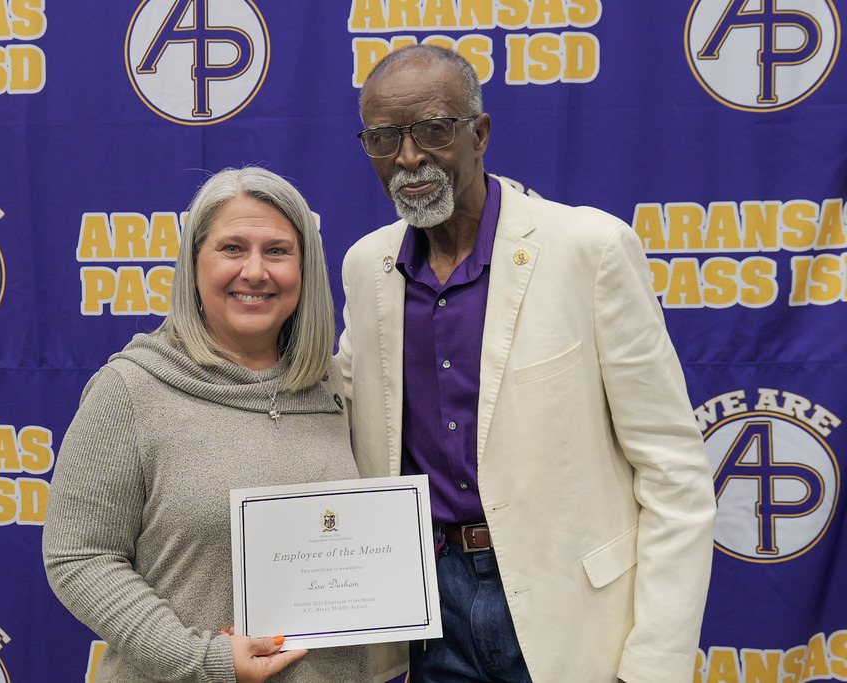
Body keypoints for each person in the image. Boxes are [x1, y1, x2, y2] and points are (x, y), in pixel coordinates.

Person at [336, 44, 717, 683]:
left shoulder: (588, 249)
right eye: (383, 138)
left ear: (479, 134)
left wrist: (654, 665)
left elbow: (675, 474)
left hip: (570, 614)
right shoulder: (365, 267)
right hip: (429, 615)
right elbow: (330, 395)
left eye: (432, 130)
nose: (408, 158)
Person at [44, 167, 372, 682]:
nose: (256, 271)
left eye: (278, 251)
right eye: (233, 248)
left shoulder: (331, 385)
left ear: (305, 269)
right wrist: (204, 661)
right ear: (193, 263)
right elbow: (79, 556)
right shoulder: (130, 390)